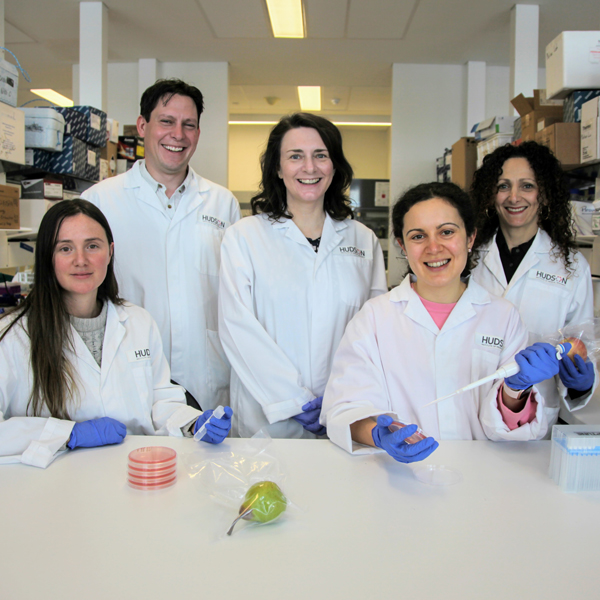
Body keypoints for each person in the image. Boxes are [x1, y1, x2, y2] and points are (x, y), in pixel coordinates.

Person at [322, 182, 565, 461]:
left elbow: (512, 428)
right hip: (400, 477)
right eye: (418, 236)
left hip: (484, 476)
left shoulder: (503, 316)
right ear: (402, 245)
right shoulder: (375, 317)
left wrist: (515, 391)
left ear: (470, 238)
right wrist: (378, 433)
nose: (433, 247)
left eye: (447, 232)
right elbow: (346, 407)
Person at [0, 200, 232, 469]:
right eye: (65, 248)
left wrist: (192, 422)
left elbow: (160, 400)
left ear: (110, 252)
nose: (81, 260)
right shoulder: (12, 336)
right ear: (47, 257)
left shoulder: (137, 321)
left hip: (136, 476)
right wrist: (66, 434)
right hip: (55, 485)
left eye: (92, 246)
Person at [218, 113, 387, 438]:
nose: (309, 168)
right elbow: (236, 327)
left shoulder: (362, 239)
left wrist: (341, 396)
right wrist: (292, 400)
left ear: (334, 166)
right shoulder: (244, 237)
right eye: (295, 156)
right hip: (268, 416)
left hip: (343, 411)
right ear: (278, 169)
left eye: (320, 155)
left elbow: (376, 329)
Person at [82, 79, 241, 412]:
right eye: (167, 121)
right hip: (128, 366)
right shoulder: (100, 200)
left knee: (204, 459)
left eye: (189, 125)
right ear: (143, 126)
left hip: (206, 371)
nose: (178, 134)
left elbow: (235, 292)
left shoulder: (222, 204)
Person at [470, 141, 595, 429]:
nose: (514, 197)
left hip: (534, 417)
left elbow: (580, 344)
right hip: (469, 406)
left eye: (527, 186)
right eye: (503, 186)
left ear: (545, 194)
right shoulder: (467, 258)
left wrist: (580, 382)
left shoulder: (572, 267)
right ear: (491, 194)